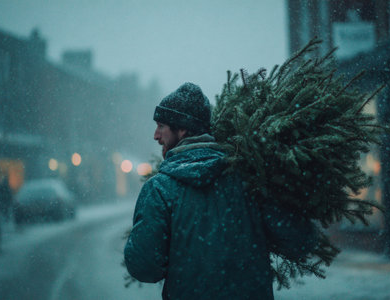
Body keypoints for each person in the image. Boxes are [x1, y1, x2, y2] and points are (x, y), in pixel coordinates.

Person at [124, 82, 318, 299]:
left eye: (161, 125)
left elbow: (144, 267)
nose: (155, 135)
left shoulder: (159, 189)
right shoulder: (249, 179)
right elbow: (301, 241)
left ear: (182, 128)